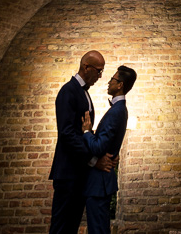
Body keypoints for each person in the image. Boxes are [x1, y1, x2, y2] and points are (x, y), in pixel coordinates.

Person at [47, 50, 104, 234]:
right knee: (61, 228)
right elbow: (67, 134)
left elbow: (83, 131)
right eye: (98, 70)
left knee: (71, 227)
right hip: (68, 173)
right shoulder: (68, 91)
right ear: (86, 67)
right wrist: (93, 160)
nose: (100, 76)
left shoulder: (83, 92)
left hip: (78, 173)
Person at [81, 65, 135, 234]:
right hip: (102, 181)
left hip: (99, 182)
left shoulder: (116, 112)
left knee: (97, 230)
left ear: (120, 85)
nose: (108, 82)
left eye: (112, 79)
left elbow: (99, 147)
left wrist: (87, 132)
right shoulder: (120, 110)